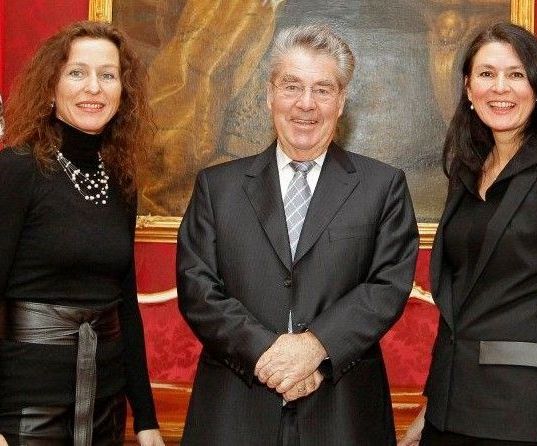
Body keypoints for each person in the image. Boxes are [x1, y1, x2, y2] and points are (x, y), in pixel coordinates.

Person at [177, 24, 419, 446]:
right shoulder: (218, 188)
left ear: (342, 102)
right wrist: (269, 356)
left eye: (323, 90)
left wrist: (316, 349)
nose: (305, 105)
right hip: (235, 409)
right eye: (291, 86)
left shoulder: (383, 186)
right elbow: (198, 289)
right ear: (269, 94)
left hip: (342, 411)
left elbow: (386, 287)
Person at [401, 22, 537, 446]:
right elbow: (463, 306)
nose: (499, 87)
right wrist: (430, 408)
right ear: (468, 89)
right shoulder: (467, 169)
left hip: (523, 421)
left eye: (516, 74)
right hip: (448, 415)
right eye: (486, 74)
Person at [0, 21, 164, 446]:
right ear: (50, 86)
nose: (94, 87)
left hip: (106, 404)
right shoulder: (16, 169)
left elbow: (126, 304)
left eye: (107, 75)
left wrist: (146, 420)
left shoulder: (121, 181)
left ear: (122, 91)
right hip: (27, 407)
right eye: (77, 72)